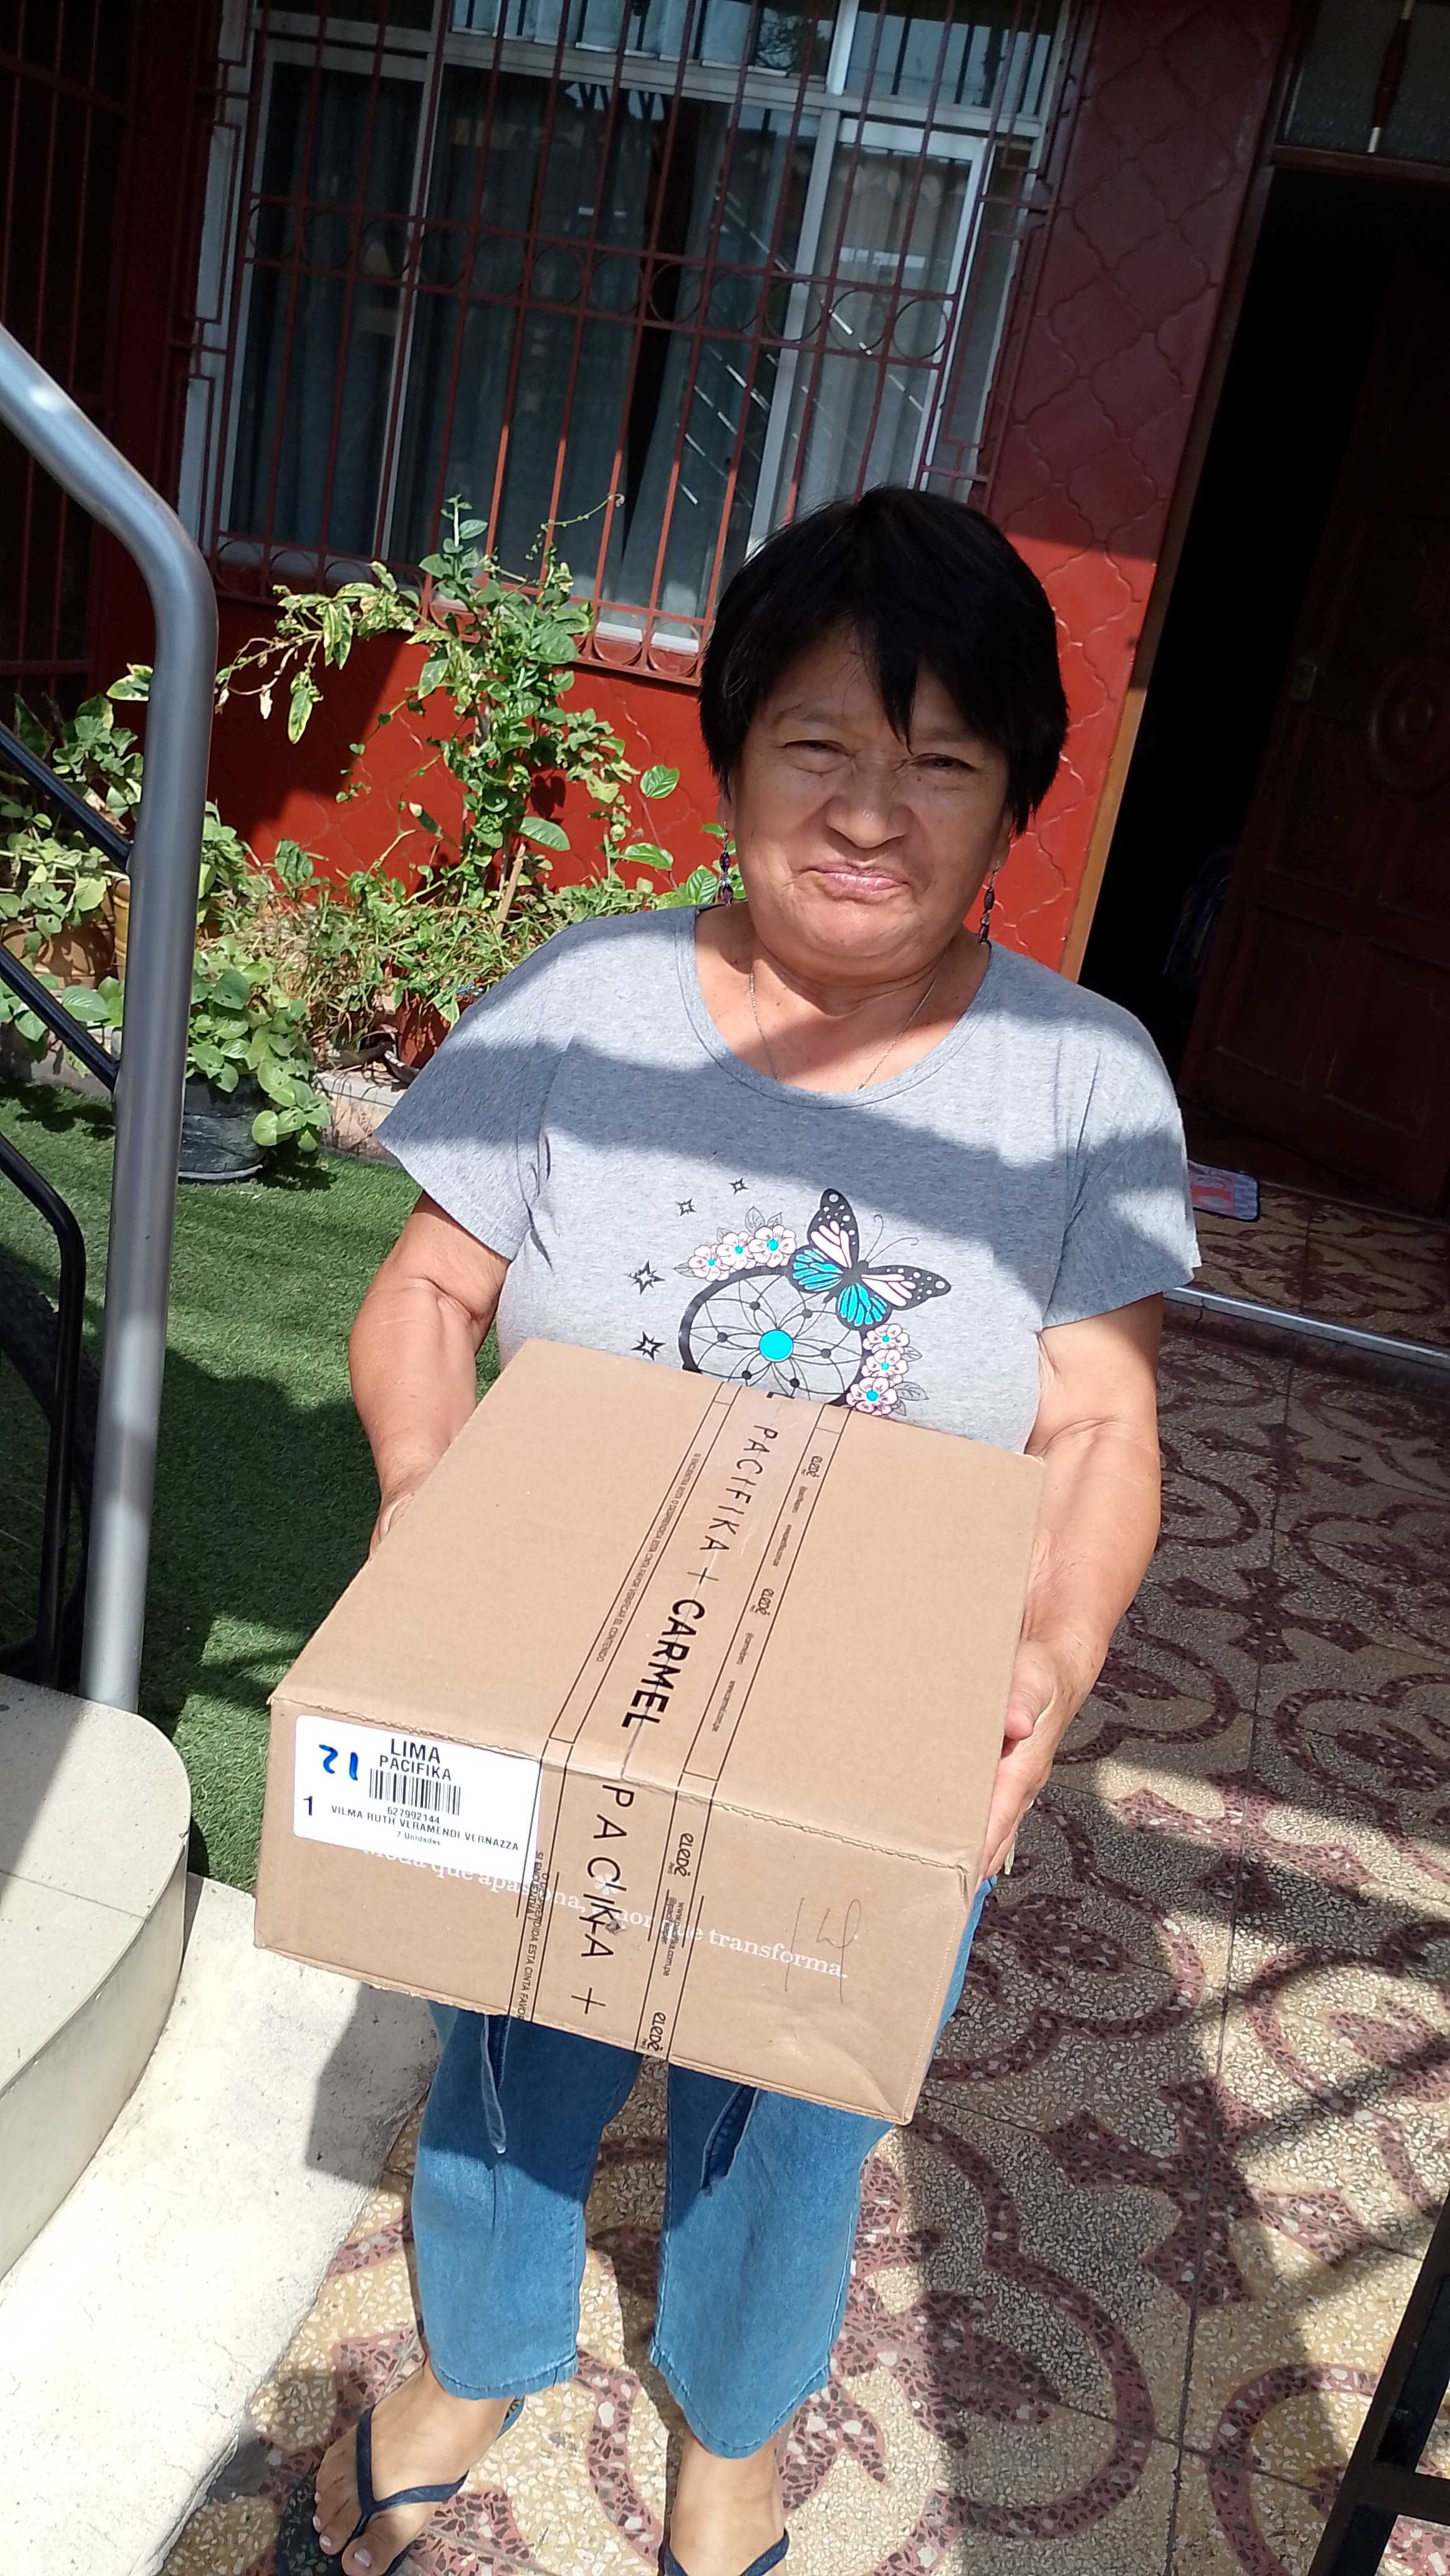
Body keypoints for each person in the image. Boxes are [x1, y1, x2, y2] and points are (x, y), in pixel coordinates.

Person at [306, 487, 1199, 2576]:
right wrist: (435, 1509)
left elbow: (1098, 1415)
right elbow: (427, 1292)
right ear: (729, 762)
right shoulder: (586, 1001)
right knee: (509, 2025)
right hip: (569, 1650)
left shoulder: (1086, 1083)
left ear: (1015, 804)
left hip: (879, 1707)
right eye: (818, 746)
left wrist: (1053, 1656)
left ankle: (734, 2420)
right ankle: (480, 2352)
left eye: (940, 764)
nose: (870, 814)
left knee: (801, 2099)